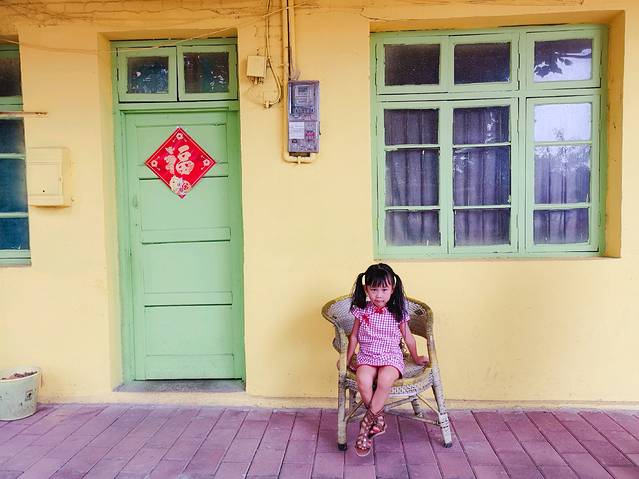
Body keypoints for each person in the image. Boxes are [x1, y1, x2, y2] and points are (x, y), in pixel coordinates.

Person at [346, 263, 429, 457]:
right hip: (367, 356)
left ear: (392, 289)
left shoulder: (398, 311)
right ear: (366, 289)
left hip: (391, 357)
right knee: (363, 380)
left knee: (384, 380)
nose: (379, 295)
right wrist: (347, 359)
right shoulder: (361, 310)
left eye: (384, 290)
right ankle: (379, 419)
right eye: (374, 290)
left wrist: (416, 357)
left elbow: (408, 338)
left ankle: (365, 426)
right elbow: (354, 336)